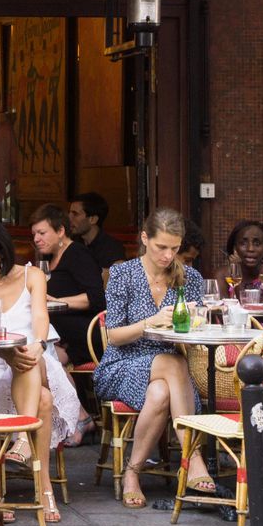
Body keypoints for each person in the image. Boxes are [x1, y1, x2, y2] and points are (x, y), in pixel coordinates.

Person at [0, 217, 83, 524]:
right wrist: (13, 353)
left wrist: (38, 344)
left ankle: (24, 440)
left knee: (31, 355)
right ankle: (42, 486)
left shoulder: (32, 275)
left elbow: (41, 318)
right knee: (42, 398)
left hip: (35, 358)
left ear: (1, 251)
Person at [92, 208, 215, 508]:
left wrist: (194, 321)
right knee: (173, 364)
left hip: (172, 380)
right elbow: (114, 336)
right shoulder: (123, 274)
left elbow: (195, 330)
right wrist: (151, 322)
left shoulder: (190, 278)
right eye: (161, 247)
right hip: (121, 365)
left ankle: (132, 473)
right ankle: (192, 454)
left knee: (160, 392)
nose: (167, 256)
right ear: (145, 238)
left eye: (174, 248)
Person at [31, 203, 105, 367]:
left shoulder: (78, 254)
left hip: (81, 337)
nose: (36, 239)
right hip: (56, 335)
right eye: (34, 234)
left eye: (42, 233)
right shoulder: (47, 258)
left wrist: (58, 301)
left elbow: (97, 297)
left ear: (60, 231)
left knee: (37, 361)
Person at [224, 219, 263, 303]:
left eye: (257, 244)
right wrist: (236, 269)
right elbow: (220, 312)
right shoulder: (222, 275)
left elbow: (262, 310)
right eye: (243, 243)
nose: (250, 249)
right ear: (234, 248)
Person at [68, 192, 124, 270]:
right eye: (69, 213)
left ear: (93, 219)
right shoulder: (71, 243)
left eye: (75, 214)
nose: (69, 218)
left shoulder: (111, 249)